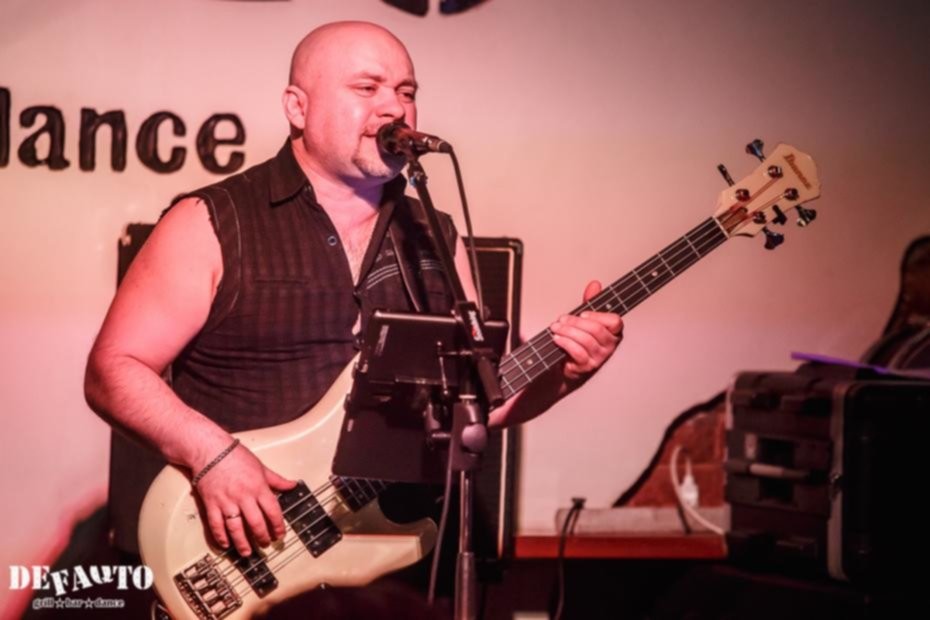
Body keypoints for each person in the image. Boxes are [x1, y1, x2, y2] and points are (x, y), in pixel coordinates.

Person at [85, 20, 622, 572]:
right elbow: (113, 369)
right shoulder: (211, 221)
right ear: (297, 107)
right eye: (367, 88)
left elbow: (476, 401)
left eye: (406, 91)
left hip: (391, 567)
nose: (394, 108)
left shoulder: (434, 236)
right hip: (242, 555)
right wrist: (210, 454)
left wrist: (564, 376)